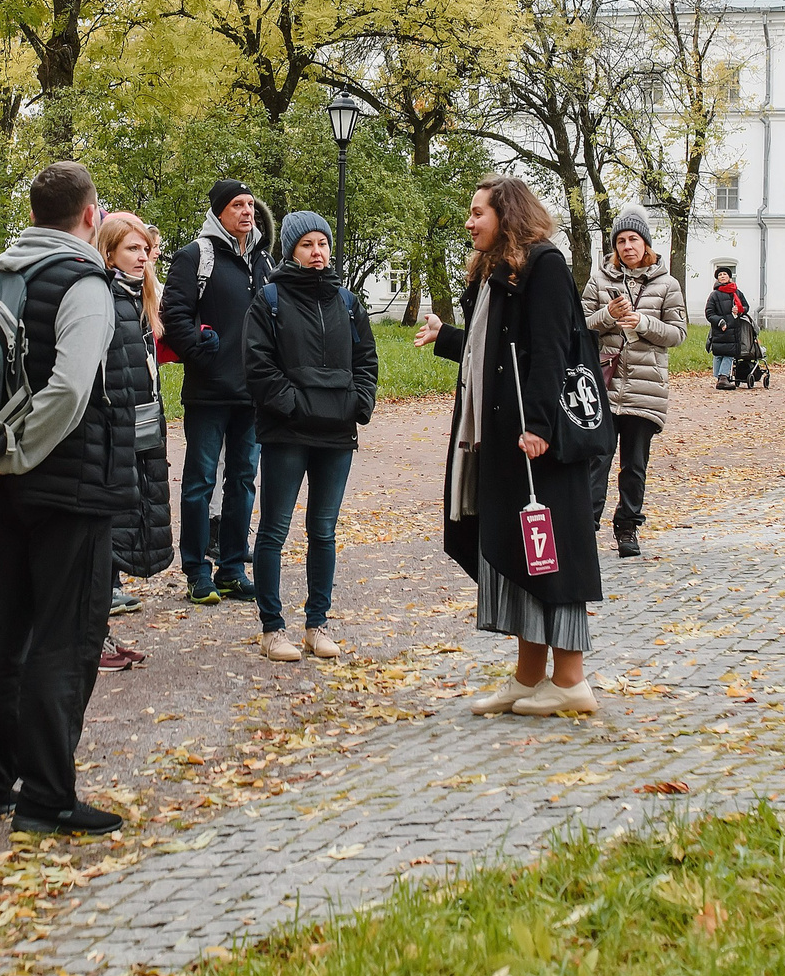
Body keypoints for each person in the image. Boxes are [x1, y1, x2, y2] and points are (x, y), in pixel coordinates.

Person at [0, 162, 137, 836]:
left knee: (2, 637)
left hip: (1, 485)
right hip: (66, 485)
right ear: (91, 215)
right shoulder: (84, 281)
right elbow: (70, 387)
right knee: (65, 640)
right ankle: (48, 797)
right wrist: (17, 451)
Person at [413, 176, 605, 718]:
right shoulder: (497, 269)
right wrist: (447, 335)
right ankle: (528, 677)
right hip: (503, 437)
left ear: (507, 213)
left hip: (538, 441)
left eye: (478, 212)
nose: (470, 221)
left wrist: (540, 426)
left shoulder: (543, 263)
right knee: (524, 551)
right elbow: (494, 350)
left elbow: (549, 347)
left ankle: (570, 681)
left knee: (554, 551)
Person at [243, 210, 378, 663]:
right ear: (290, 250)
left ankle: (317, 624)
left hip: (337, 433)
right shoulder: (270, 299)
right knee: (275, 529)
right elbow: (258, 365)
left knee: (323, 529)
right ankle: (272, 628)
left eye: (322, 243)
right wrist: (293, 405)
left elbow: (366, 360)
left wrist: (359, 403)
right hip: (287, 432)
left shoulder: (347, 301)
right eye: (307, 245)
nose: (318, 252)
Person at [159, 179, 273, 606]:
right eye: (237, 205)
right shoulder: (195, 256)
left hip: (253, 394)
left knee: (243, 481)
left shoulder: (262, 260)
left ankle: (231, 569)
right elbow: (173, 313)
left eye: (250, 205)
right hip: (208, 391)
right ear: (218, 211)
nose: (247, 211)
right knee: (200, 481)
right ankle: (196, 571)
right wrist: (200, 353)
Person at [93, 214, 175, 671]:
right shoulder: (103, 296)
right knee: (107, 532)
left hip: (142, 427)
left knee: (125, 526)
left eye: (145, 249)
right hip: (112, 432)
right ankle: (93, 639)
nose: (142, 257)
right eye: (132, 249)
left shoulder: (139, 297)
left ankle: (101, 631)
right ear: (108, 253)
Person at [582, 208, 687, 558]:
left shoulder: (667, 284)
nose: (627, 246)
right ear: (614, 246)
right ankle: (586, 527)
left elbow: (677, 334)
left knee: (634, 465)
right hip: (604, 385)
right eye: (621, 241)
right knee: (598, 458)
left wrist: (642, 321)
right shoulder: (600, 281)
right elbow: (579, 327)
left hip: (646, 387)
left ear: (646, 243)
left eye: (634, 240)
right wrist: (607, 316)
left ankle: (627, 527)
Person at [703, 267, 750, 390]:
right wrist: (720, 322)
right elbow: (709, 313)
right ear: (717, 278)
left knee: (729, 353)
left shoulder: (737, 293)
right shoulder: (714, 295)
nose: (722, 276)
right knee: (719, 353)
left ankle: (722, 377)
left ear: (729, 277)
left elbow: (746, 306)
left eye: (725, 274)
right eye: (720, 275)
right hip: (720, 328)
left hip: (733, 329)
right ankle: (721, 378)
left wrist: (740, 310)